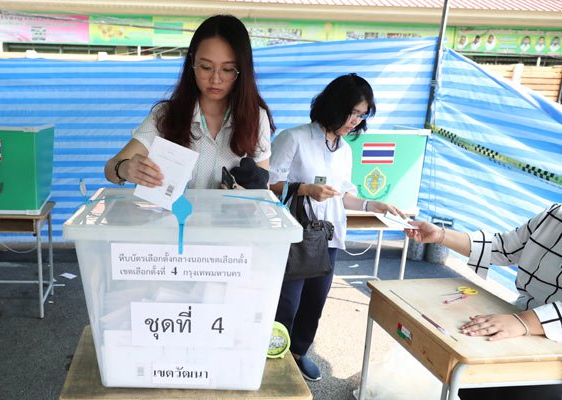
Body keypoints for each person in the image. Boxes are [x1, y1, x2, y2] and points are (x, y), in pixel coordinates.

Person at [268, 73, 405, 381]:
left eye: (362, 115)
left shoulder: (345, 150)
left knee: (314, 302)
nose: (356, 121)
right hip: (293, 235)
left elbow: (344, 195)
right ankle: (273, 359)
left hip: (327, 237)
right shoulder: (294, 138)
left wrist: (373, 205)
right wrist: (304, 189)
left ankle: (298, 353)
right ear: (334, 105)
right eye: (352, 112)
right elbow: (267, 185)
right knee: (286, 303)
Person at [406, 204, 561, 400]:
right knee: (468, 371)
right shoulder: (554, 214)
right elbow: (504, 247)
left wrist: (524, 321)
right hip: (521, 317)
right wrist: (441, 236)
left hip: (545, 331)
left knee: (530, 389)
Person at [104, 15, 274, 190]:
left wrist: (243, 195)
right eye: (206, 67)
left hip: (232, 217)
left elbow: (262, 190)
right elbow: (110, 169)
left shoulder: (256, 117)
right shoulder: (167, 115)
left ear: (242, 69)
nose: (215, 79)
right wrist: (124, 169)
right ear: (192, 62)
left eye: (228, 69)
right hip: (175, 218)